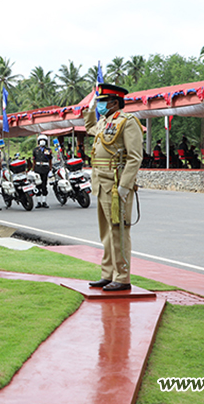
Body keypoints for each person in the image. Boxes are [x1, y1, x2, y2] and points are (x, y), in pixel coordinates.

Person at [84, 83, 143, 292]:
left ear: (114, 103)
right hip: (101, 183)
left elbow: (135, 157)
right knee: (106, 233)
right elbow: (89, 127)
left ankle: (122, 277)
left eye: (103, 101)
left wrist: (125, 186)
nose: (100, 105)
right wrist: (90, 108)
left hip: (116, 184)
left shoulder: (127, 122)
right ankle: (108, 274)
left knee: (119, 232)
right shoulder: (104, 122)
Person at [32, 134, 53, 208]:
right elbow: (34, 160)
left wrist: (50, 169)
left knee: (44, 185)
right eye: (41, 140)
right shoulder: (35, 150)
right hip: (37, 168)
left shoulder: (48, 150)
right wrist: (33, 169)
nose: (42, 141)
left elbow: (50, 160)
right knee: (38, 185)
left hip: (45, 169)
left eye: (44, 140)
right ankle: (38, 202)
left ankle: (44, 201)